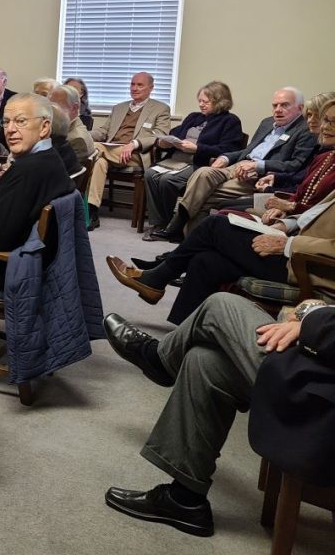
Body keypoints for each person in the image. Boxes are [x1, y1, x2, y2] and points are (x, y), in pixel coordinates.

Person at [100, 293, 333, 537]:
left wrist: (310, 318)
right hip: (319, 371)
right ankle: (185, 499)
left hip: (319, 397)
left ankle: (158, 359)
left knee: (219, 305)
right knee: (205, 362)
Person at [106, 179, 335, 325]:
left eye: (331, 122)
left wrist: (289, 244)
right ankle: (180, 339)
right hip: (296, 251)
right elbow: (314, 215)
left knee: (214, 226)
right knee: (206, 260)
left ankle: (156, 279)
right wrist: (286, 225)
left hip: (311, 267)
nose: (325, 126)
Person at [150, 87, 315, 241]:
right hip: (238, 164)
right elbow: (248, 149)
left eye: (285, 105)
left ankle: (181, 233)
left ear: (300, 108)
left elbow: (296, 164)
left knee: (204, 195)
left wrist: (258, 165)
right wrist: (226, 158)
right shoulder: (267, 122)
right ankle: (182, 232)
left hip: (258, 174)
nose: (278, 109)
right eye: (275, 105)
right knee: (203, 173)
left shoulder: (305, 130)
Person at [0, 94, 75, 288]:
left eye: (21, 121)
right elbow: (9, 203)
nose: (11, 130)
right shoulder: (48, 157)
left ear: (45, 127)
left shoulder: (28, 169)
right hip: (25, 257)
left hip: (0, 267)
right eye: (6, 122)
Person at [143, 81, 243, 238]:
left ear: (219, 101)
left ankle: (172, 226)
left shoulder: (230, 121)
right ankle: (159, 222)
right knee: (149, 174)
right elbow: (175, 134)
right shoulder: (193, 117)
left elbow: (229, 150)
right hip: (176, 159)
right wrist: (164, 142)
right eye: (200, 101)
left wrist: (198, 149)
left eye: (206, 102)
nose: (201, 105)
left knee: (167, 180)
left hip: (198, 162)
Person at [87, 72, 171, 230]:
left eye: (140, 85)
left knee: (95, 150)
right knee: (99, 162)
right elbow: (104, 131)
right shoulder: (119, 108)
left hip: (135, 155)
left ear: (151, 88)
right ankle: (92, 212)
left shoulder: (160, 109)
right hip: (110, 151)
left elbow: (161, 135)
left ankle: (79, 198)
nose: (135, 88)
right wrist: (85, 136)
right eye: (133, 84)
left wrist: (134, 143)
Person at [48, 84, 95, 159]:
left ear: (74, 108)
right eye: (49, 106)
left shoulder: (76, 140)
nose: (51, 111)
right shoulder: (72, 128)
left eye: (56, 106)